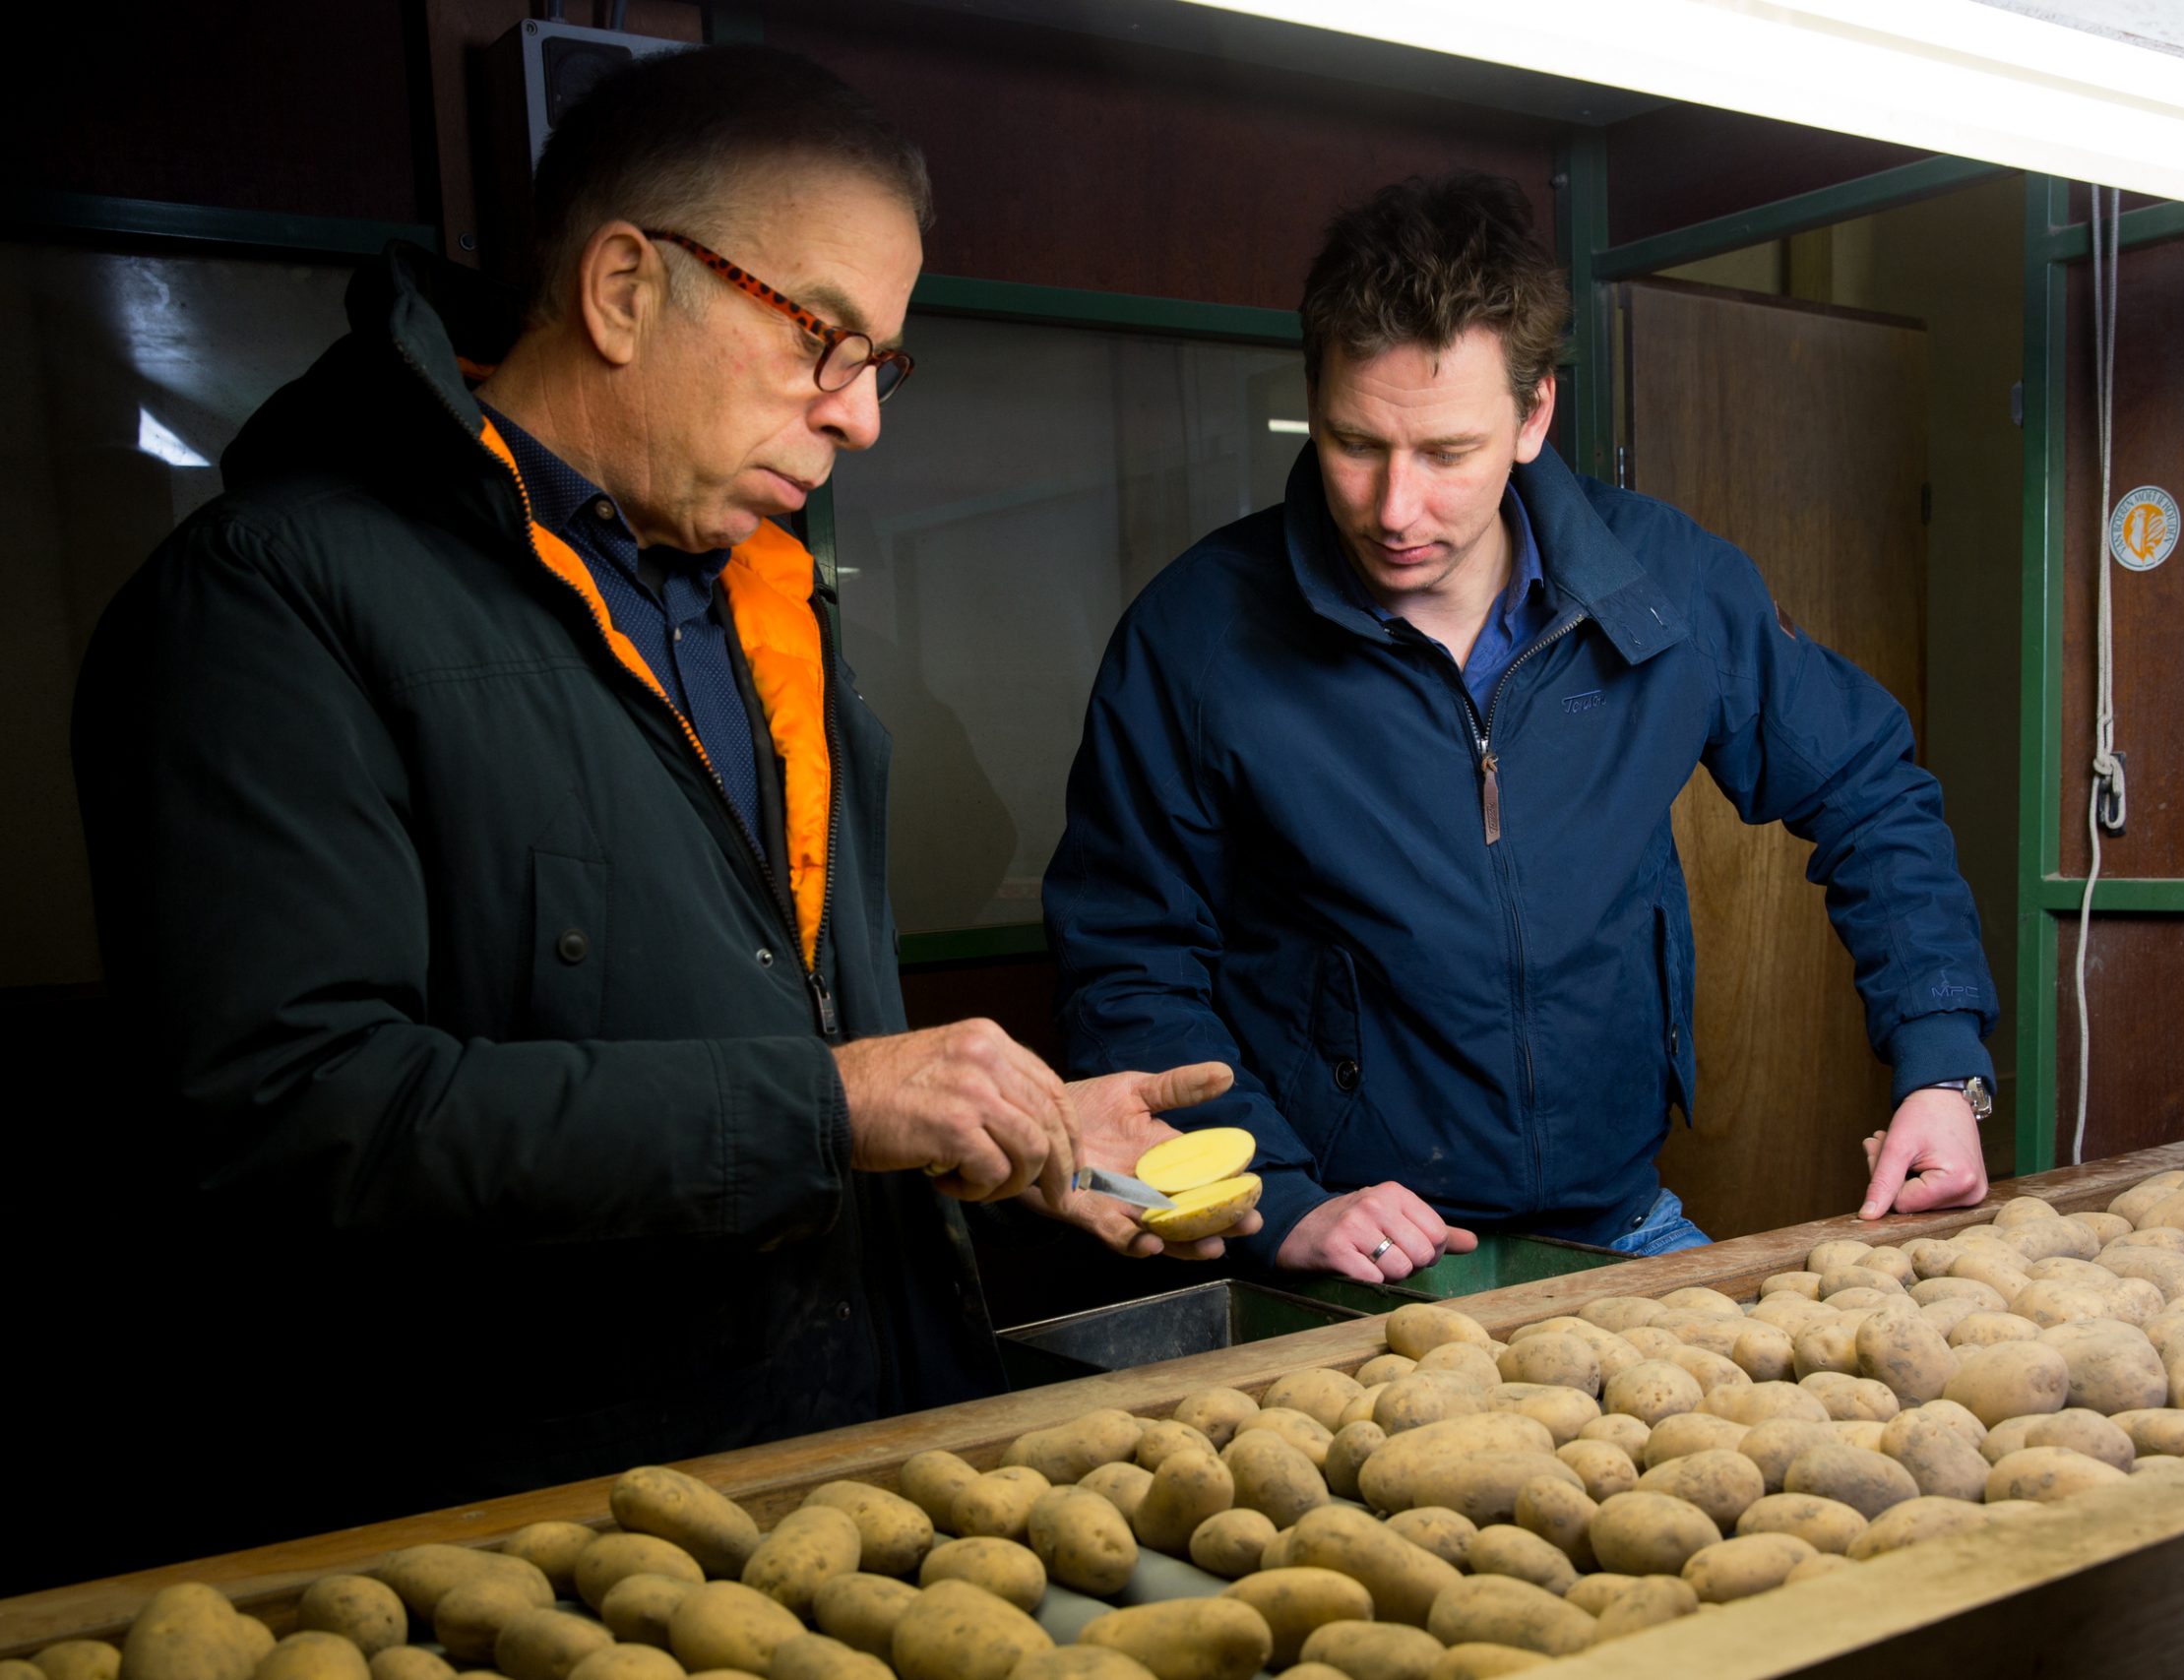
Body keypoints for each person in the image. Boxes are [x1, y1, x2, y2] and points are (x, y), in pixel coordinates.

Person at [65, 44, 1246, 1572]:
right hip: (557, 1536)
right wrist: (841, 1103)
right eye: (826, 337)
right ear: (625, 286)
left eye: (883, 363)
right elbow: (298, 1119)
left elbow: (797, 1048)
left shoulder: (768, 608)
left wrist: (1019, 1144)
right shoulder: (271, 601)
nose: (863, 420)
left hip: (865, 1473)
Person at [1044, 171, 1998, 1285]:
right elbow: (1129, 965)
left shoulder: (1666, 584)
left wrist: (1941, 1066)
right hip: (1340, 1247)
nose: (1394, 509)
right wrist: (1283, 1199)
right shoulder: (1195, 637)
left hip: (1616, 1218)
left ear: (1533, 413)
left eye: (1446, 454)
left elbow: (1867, 789)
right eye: (1355, 444)